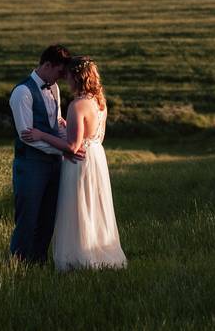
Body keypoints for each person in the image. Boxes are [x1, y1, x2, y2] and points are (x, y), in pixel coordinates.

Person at [23, 56, 127, 271]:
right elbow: (97, 136)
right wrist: (67, 125)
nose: (65, 79)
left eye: (67, 75)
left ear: (75, 77)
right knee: (94, 206)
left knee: (78, 207)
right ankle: (98, 251)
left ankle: (79, 257)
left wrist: (41, 134)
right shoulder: (100, 102)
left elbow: (71, 146)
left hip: (79, 163)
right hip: (97, 157)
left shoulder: (77, 105)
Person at [8, 44, 83, 264]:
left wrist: (69, 143)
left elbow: (55, 123)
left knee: (48, 217)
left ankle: (39, 262)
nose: (62, 77)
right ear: (48, 65)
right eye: (60, 71)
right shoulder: (22, 92)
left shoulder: (54, 89)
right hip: (31, 164)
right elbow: (27, 136)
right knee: (28, 218)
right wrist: (63, 148)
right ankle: (19, 263)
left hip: (55, 163)